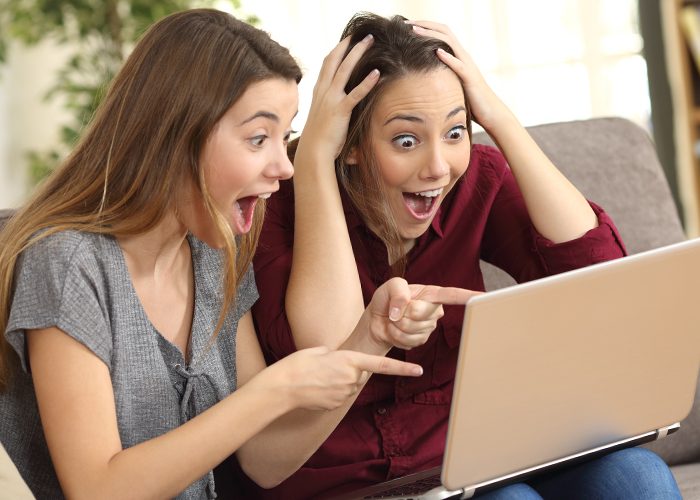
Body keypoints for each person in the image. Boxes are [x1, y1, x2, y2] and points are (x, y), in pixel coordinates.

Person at [0, 9, 473, 499]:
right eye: (257, 138)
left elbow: (265, 460)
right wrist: (273, 391)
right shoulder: (68, 263)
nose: (282, 167)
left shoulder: (214, 253)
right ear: (179, 135)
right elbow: (98, 490)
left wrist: (368, 339)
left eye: (284, 136)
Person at [223, 12, 683, 499]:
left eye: (455, 132)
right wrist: (315, 153)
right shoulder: (272, 207)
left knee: (636, 476)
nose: (438, 167)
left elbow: (601, 279)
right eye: (406, 140)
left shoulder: (475, 181)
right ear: (350, 144)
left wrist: (497, 116)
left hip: (464, 468)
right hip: (346, 485)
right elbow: (337, 349)